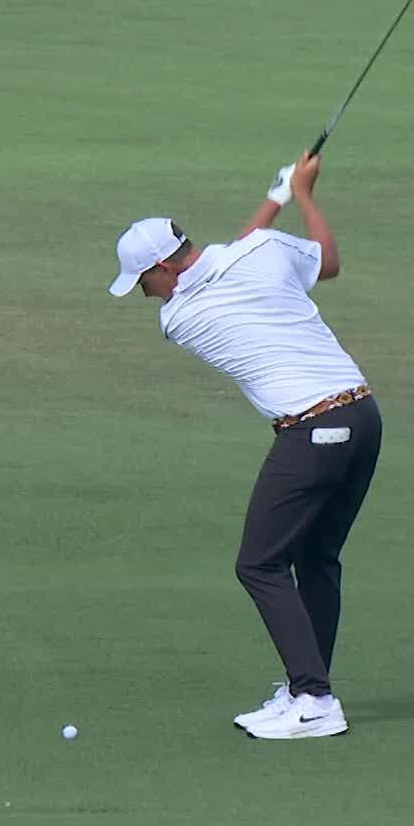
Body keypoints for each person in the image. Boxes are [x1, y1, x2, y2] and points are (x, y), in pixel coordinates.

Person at [108, 152, 381, 740]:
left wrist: (283, 197)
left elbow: (232, 255)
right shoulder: (261, 254)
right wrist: (296, 194)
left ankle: (315, 699)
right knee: (316, 558)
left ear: (164, 268)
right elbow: (317, 261)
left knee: (258, 564)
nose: (145, 295)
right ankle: (308, 689)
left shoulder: (181, 316)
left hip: (312, 432)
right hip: (362, 418)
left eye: (144, 282)